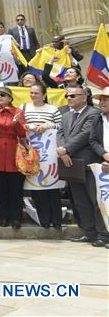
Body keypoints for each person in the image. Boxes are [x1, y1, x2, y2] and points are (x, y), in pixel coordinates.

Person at [57, 84, 105, 244]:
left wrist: (66, 149)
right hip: (70, 163)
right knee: (80, 201)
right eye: (67, 96)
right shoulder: (65, 116)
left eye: (73, 96)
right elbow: (60, 133)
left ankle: (101, 234)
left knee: (95, 200)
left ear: (84, 97)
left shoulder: (94, 113)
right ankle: (88, 232)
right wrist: (62, 151)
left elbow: (86, 134)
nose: (69, 98)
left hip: (90, 163)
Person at [0, 85, 27, 228]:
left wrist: (16, 123)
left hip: (13, 152)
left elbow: (22, 133)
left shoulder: (18, 111)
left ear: (10, 98)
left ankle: (16, 218)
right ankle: (3, 217)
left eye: (3, 95)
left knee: (15, 189)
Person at [21, 82, 62, 229]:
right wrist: (29, 127)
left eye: (36, 93)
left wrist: (47, 125)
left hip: (50, 154)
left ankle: (56, 220)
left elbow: (61, 126)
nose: (33, 95)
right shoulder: (24, 108)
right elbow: (20, 125)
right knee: (36, 187)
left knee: (52, 187)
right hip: (32, 154)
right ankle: (44, 219)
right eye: (31, 93)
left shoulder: (52, 109)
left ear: (44, 95)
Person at [85, 88, 109, 247]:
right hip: (102, 164)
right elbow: (93, 140)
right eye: (100, 100)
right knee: (101, 200)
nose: (102, 103)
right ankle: (104, 235)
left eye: (105, 100)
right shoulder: (98, 119)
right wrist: (104, 155)